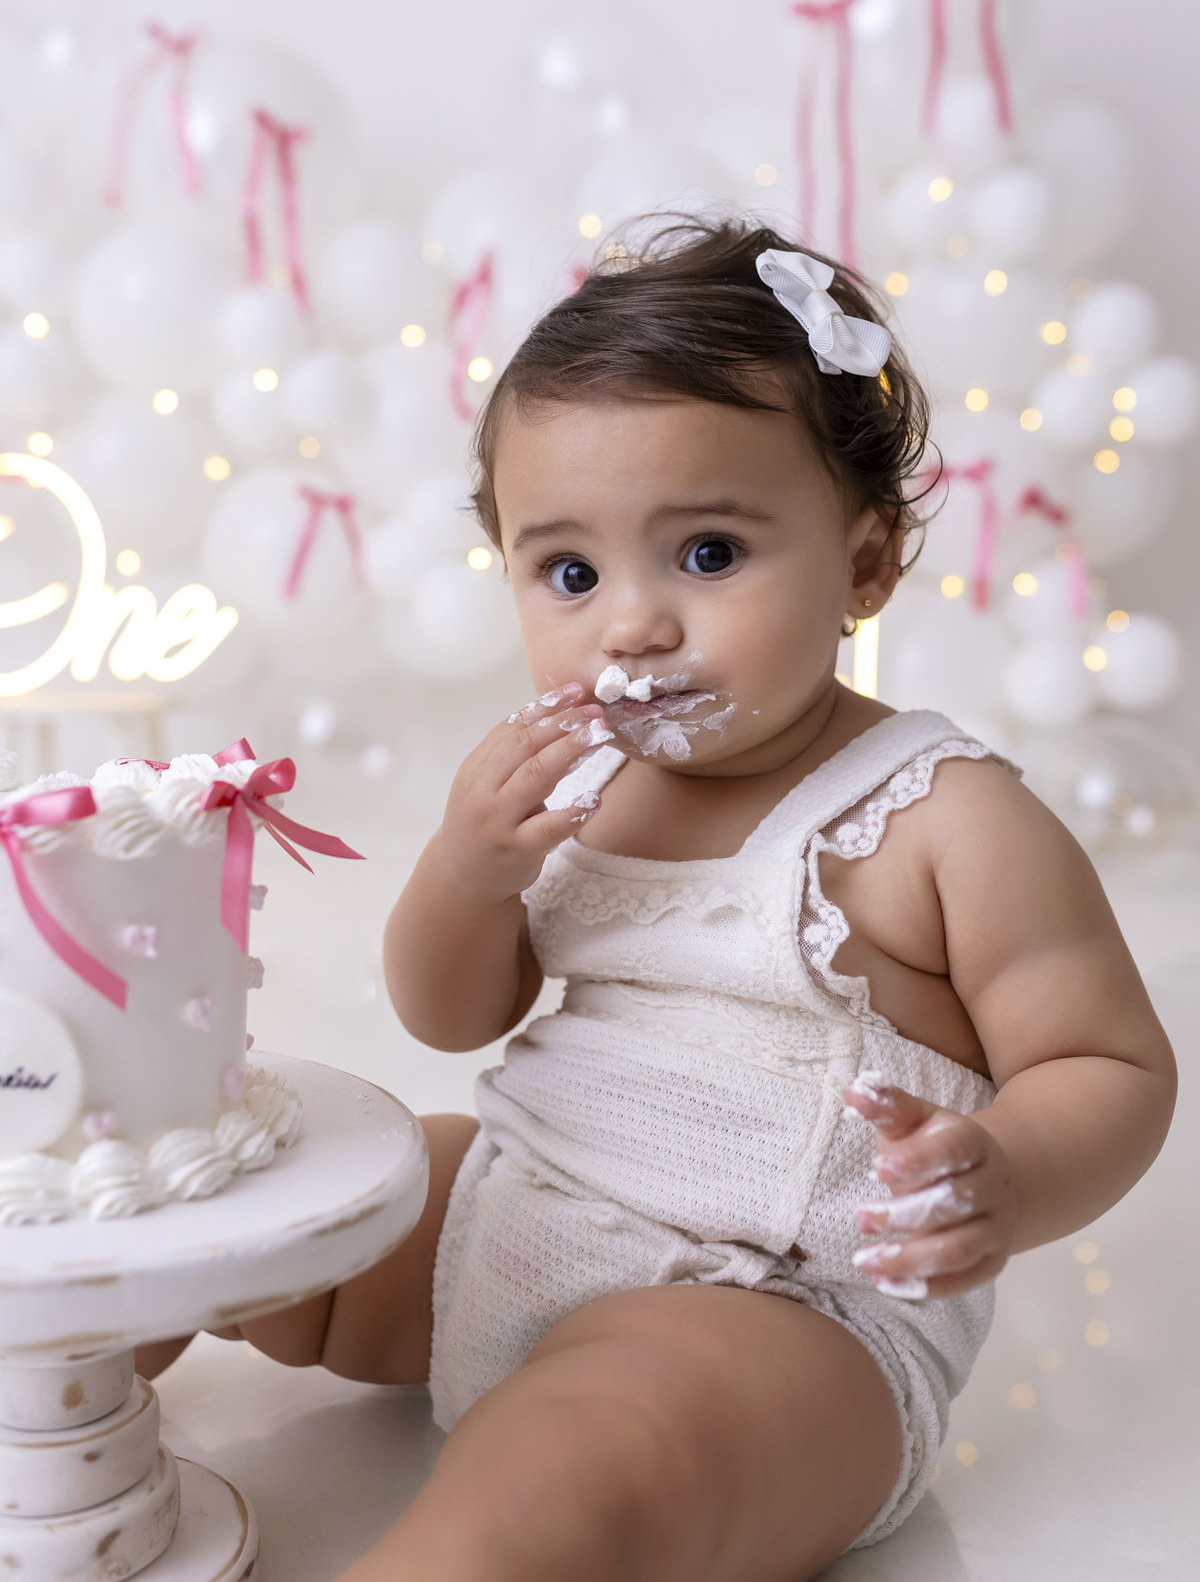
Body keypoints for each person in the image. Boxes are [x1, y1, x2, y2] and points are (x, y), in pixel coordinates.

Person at [140, 218, 1176, 1581]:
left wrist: (1012, 1169)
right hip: (517, 1217)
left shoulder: (944, 818)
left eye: (705, 556)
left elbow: (1106, 1060)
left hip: (780, 1316)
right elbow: (451, 1014)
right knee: (272, 1179)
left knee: (584, 1449)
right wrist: (471, 871)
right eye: (570, 573)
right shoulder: (578, 786)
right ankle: (62, 1365)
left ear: (864, 565)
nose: (631, 624)